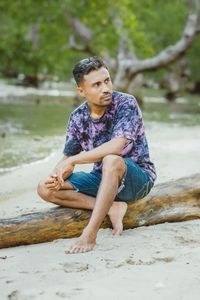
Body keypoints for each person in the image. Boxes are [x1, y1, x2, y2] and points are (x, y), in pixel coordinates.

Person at [37, 56, 156, 254]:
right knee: (44, 188)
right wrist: (57, 175)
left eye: (107, 80)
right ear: (81, 91)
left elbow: (117, 146)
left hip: (137, 179)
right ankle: (112, 206)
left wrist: (75, 160)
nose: (106, 88)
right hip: (103, 179)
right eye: (97, 84)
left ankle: (89, 233)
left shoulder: (125, 103)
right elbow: (68, 157)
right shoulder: (78, 117)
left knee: (111, 160)